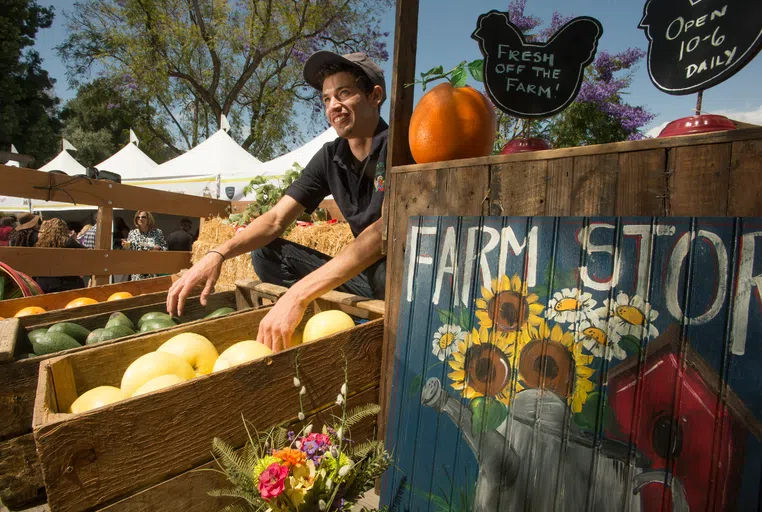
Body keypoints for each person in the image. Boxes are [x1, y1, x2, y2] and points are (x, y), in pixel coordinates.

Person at [167, 51, 387, 352]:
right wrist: (218, 253)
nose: (333, 106)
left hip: (395, 279)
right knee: (266, 251)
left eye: (344, 93)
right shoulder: (329, 157)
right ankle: (318, 325)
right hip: (363, 276)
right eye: (326, 99)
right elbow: (274, 220)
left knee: (386, 274)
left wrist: (297, 294)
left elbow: (382, 235)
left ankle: (365, 333)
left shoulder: (398, 145)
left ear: (375, 96)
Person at [34, 218, 86, 293]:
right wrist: (75, 239)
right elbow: (86, 254)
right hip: (67, 283)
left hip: (44, 283)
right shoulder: (68, 242)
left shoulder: (40, 243)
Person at [123, 211, 168, 280]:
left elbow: (165, 248)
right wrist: (126, 246)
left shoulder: (157, 232)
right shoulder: (132, 233)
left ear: (149, 219)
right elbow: (129, 251)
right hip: (137, 271)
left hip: (153, 270)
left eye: (143, 217)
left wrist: (159, 249)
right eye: (138, 217)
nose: (140, 219)